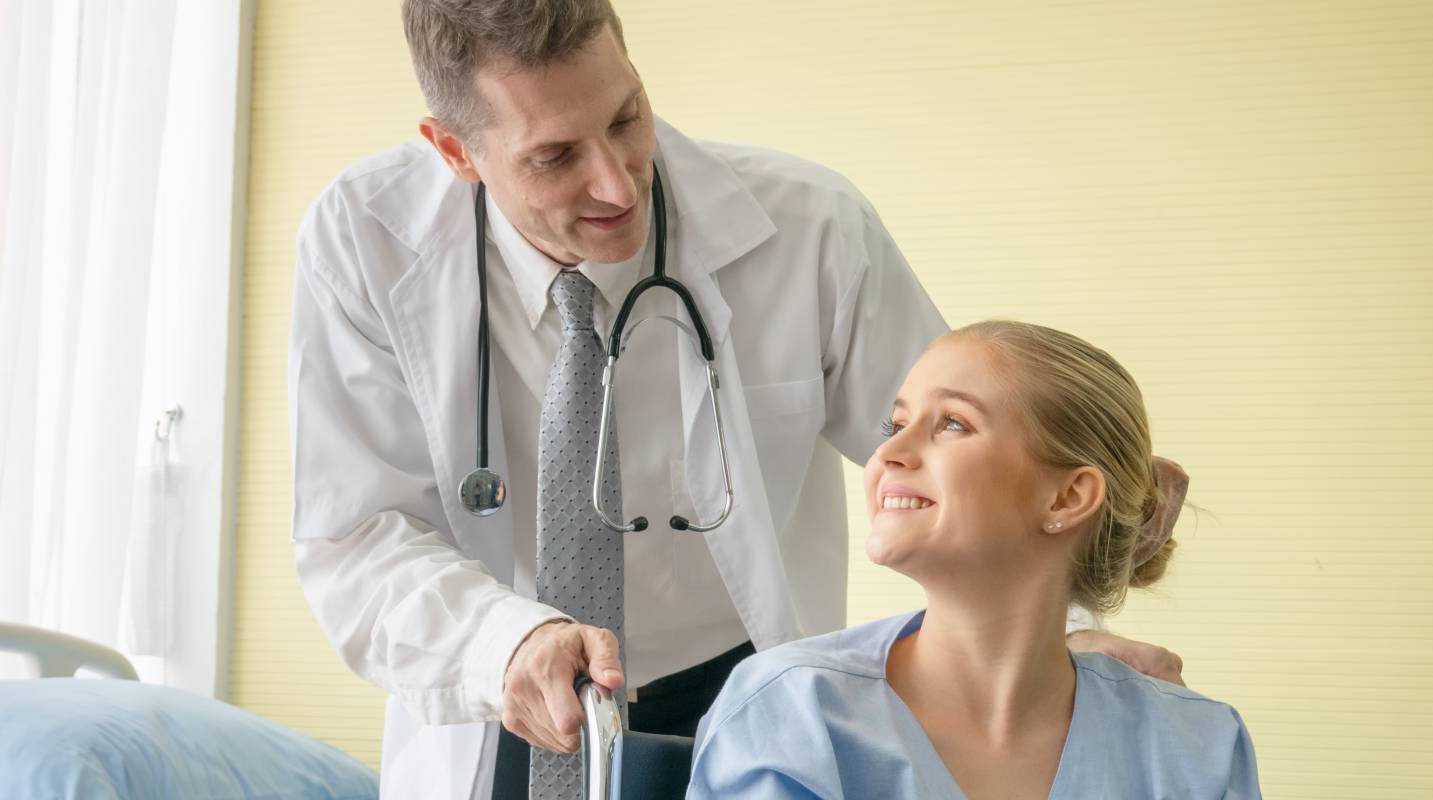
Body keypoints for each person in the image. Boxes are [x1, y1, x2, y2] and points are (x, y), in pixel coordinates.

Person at [289, 2, 1187, 797]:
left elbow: (970, 473)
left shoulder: (811, 228)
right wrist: (504, 647)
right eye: (556, 157)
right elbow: (356, 536)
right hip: (505, 686)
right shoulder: (364, 244)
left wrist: (1060, 632)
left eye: (627, 117)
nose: (615, 182)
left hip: (745, 686)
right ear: (455, 151)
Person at [689, 321, 1261, 799]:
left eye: (953, 424)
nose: (887, 453)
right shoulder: (790, 710)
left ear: (1067, 497)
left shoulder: (1197, 743)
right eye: (895, 424)